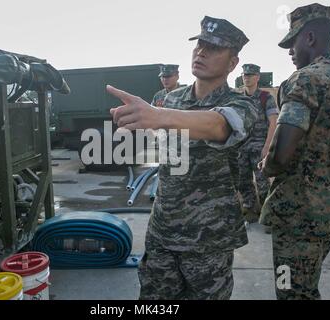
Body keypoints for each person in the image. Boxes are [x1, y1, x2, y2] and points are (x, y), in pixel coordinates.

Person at [107, 16, 257, 300]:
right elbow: (165, 151)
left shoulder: (242, 104)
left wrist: (158, 115)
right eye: (199, 45)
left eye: (213, 48)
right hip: (164, 230)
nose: (201, 52)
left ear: (232, 63)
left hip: (208, 239)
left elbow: (220, 125)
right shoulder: (172, 100)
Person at [259, 3, 330, 299]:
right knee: (306, 282)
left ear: (311, 38)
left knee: (288, 287)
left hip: (298, 211)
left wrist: (266, 167)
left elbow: (282, 149)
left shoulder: (305, 79)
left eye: (293, 42)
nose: (290, 51)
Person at [237, 64, 278, 223]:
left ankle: (269, 216)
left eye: (251, 75)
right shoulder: (238, 97)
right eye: (245, 75)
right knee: (243, 181)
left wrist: (267, 147)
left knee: (262, 183)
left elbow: (273, 123)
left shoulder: (265, 97)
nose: (247, 77)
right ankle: (250, 210)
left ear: (258, 77)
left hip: (259, 146)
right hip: (242, 147)